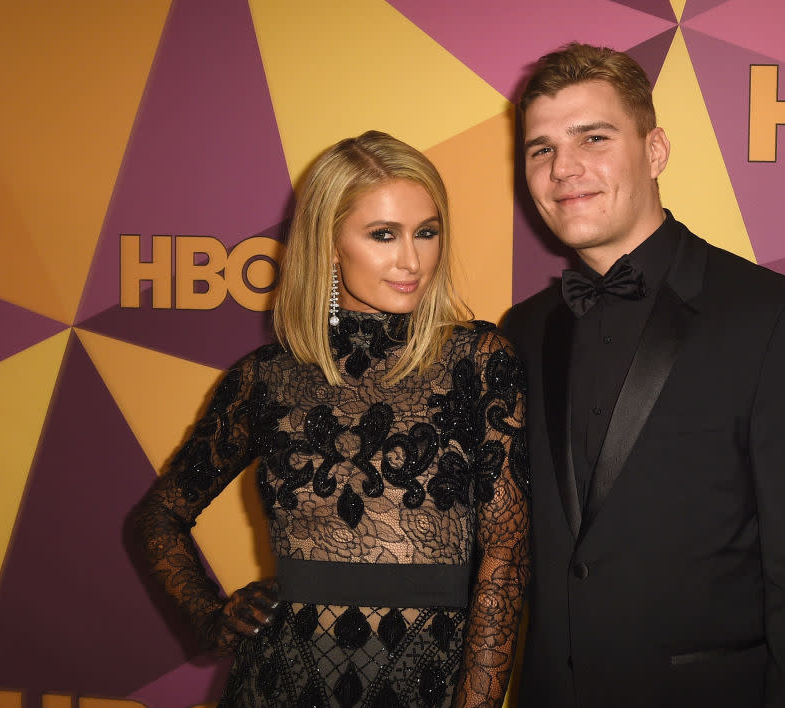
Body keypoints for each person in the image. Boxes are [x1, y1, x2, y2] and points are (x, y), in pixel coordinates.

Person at [503, 43, 785, 707]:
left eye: (594, 138)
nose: (564, 169)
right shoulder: (520, 330)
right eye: (540, 148)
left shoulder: (774, 316)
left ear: (656, 150)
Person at [132, 130, 529, 708]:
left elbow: (505, 556)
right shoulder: (269, 377)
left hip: (426, 682)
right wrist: (210, 615)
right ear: (329, 244)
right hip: (280, 681)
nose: (411, 260)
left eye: (426, 232)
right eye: (382, 235)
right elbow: (158, 515)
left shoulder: (478, 361)